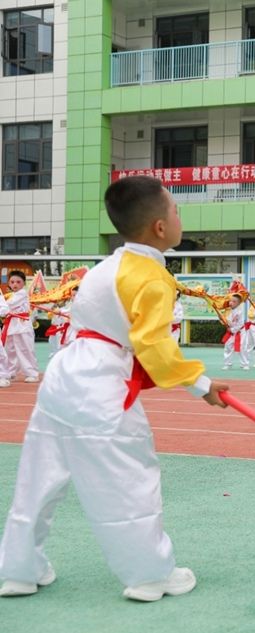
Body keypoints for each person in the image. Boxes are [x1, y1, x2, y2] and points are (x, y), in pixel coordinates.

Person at [0, 175, 229, 601]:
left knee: (37, 481)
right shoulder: (153, 277)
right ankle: (150, 575)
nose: (180, 217)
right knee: (129, 479)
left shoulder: (103, 269)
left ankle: (19, 570)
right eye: (176, 211)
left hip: (62, 377)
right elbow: (153, 344)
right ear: (160, 227)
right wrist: (202, 384)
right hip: (103, 385)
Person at [2, 271, 40, 383]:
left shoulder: (22, 293)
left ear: (24, 283)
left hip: (22, 325)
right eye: (12, 282)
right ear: (9, 283)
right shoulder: (12, 295)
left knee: (25, 349)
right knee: (10, 350)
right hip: (11, 325)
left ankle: (32, 373)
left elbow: (9, 305)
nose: (15, 284)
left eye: (18, 282)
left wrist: (2, 306)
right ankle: (10, 372)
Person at [222, 294, 249, 371]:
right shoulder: (227, 311)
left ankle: (245, 364)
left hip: (240, 332)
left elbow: (240, 324)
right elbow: (227, 321)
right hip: (231, 332)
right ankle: (227, 364)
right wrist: (225, 323)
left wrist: (232, 329)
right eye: (230, 301)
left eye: (234, 301)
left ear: (239, 303)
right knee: (228, 347)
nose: (231, 303)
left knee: (242, 348)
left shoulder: (240, 312)